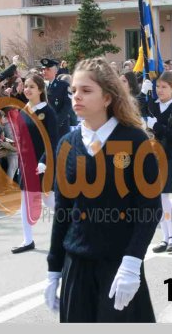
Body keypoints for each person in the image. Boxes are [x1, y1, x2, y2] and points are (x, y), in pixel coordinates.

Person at [45, 58, 162, 322]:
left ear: (107, 98)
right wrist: (54, 269)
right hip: (76, 264)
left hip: (119, 265)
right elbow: (63, 211)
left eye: (86, 90)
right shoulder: (67, 144)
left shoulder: (134, 140)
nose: (76, 96)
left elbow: (149, 208)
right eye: (73, 90)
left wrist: (132, 263)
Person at [8, 74, 59, 254]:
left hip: (42, 164)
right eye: (25, 86)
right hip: (26, 163)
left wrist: (44, 161)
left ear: (40, 90)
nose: (27, 90)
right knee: (26, 200)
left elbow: (52, 140)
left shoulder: (48, 112)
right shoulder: (24, 111)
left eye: (31, 87)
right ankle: (27, 240)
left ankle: (77, 226)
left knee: (49, 200)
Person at [146, 72, 172, 253]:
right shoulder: (152, 106)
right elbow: (135, 108)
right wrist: (143, 92)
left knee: (162, 197)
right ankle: (166, 237)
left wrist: (156, 126)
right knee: (158, 198)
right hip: (152, 156)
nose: (159, 90)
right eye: (157, 87)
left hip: (170, 157)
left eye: (164, 87)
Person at [41, 58, 73, 139]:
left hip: (60, 128)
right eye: (43, 69)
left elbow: (67, 106)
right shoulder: (40, 86)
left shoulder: (63, 86)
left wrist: (55, 122)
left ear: (55, 71)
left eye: (48, 69)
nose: (44, 71)